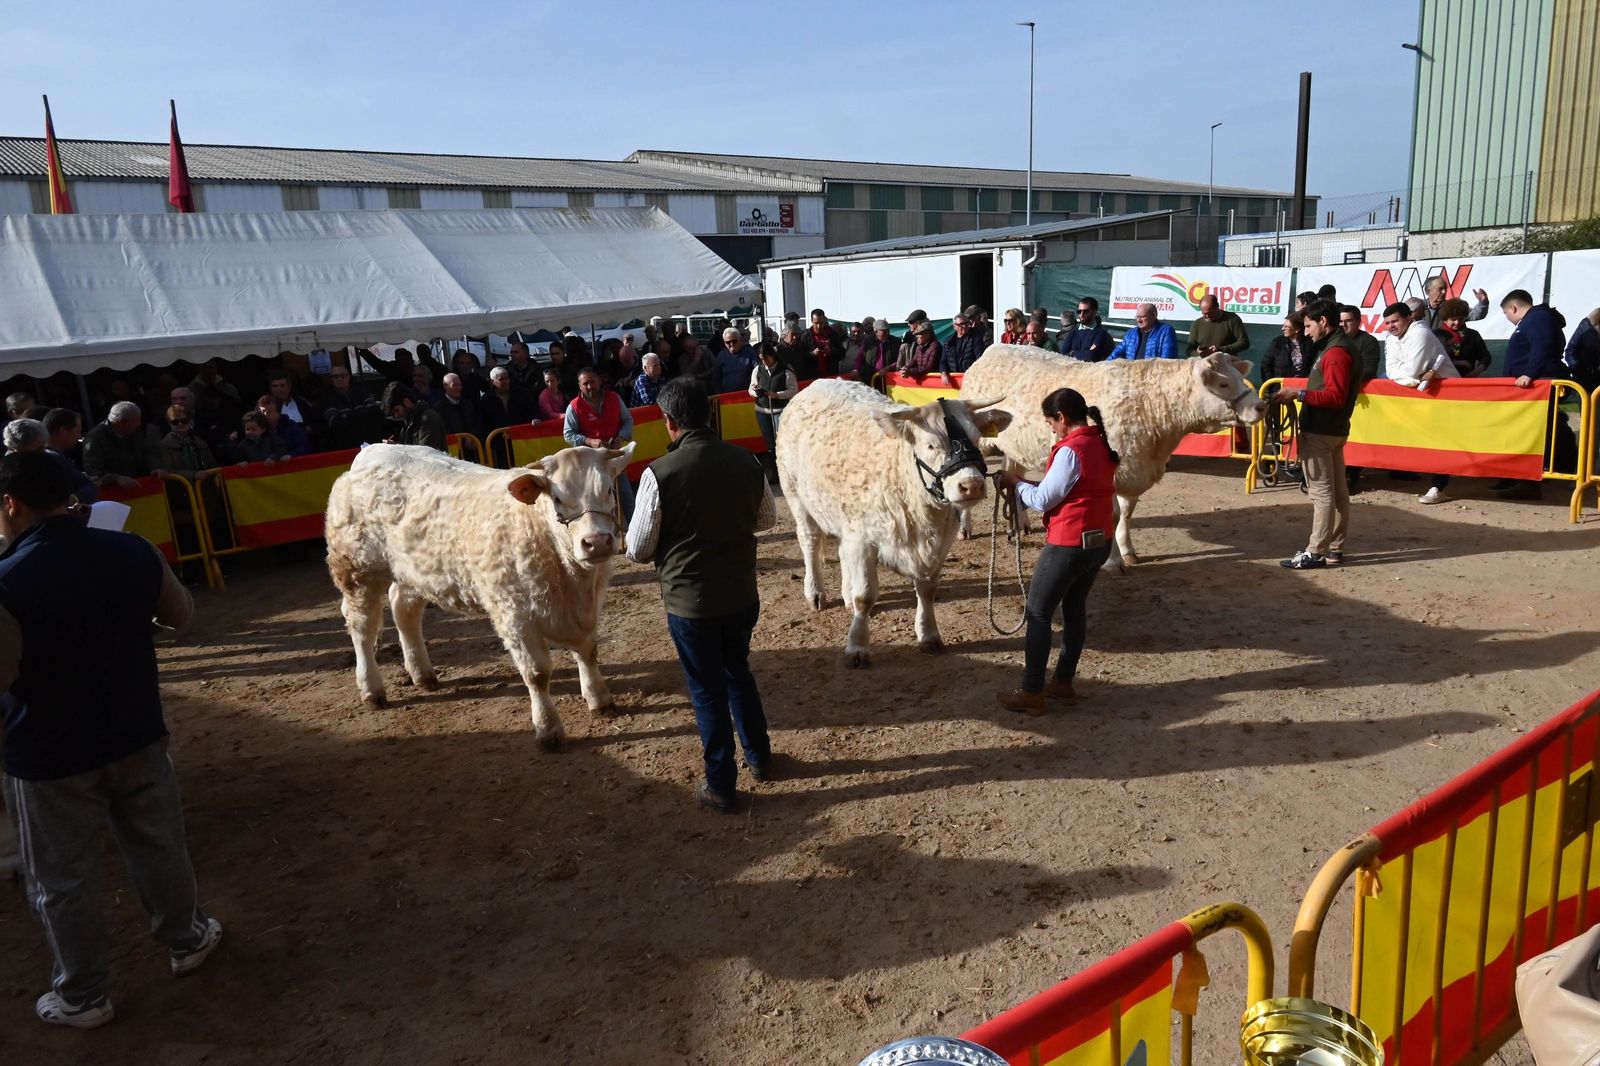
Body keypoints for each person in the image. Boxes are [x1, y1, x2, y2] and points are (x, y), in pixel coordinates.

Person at [0, 452, 222, 1030]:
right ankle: (187, 936)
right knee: (159, 844)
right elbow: (182, 616)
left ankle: (83, 994)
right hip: (136, 729)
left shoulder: (7, 582)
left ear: (10, 506)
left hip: (49, 753)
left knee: (60, 877)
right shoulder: (132, 551)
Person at [623, 379, 777, 813]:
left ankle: (721, 784)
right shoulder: (746, 460)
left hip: (690, 603)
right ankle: (760, 758)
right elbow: (767, 519)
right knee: (738, 673)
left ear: (668, 422)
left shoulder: (658, 474)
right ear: (710, 414)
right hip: (741, 594)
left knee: (708, 691)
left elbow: (637, 550)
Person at [994, 388, 1119, 716]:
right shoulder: (1099, 444)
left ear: (1062, 418)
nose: (1050, 427)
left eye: (1051, 421)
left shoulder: (1070, 451)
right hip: (1099, 539)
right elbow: (1067, 491)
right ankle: (1063, 681)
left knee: (1037, 613)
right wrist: (1024, 483)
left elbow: (1042, 500)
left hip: (1069, 542)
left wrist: (1015, 482)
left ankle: (1032, 689)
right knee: (1074, 606)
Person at [1273, 300, 1359, 570]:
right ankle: (1334, 547)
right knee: (1338, 493)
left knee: (1322, 493)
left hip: (1321, 431)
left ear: (1323, 321)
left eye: (1309, 326)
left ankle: (1316, 551)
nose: (1306, 332)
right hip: (1332, 429)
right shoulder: (1340, 348)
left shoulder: (1335, 353)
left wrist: (1296, 394)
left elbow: (1334, 396)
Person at [1379, 301, 1459, 504]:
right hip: (1420, 396)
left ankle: (1438, 486)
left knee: (1443, 441)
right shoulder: (1391, 338)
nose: (1391, 326)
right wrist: (1415, 381)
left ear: (1409, 318)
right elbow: (1393, 371)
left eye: (1395, 321)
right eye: (1387, 323)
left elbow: (1407, 371)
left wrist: (1408, 377)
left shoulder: (1421, 334)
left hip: (1444, 397)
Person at [1498, 289, 1574, 498]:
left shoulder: (1537, 319)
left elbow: (1542, 346)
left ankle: (1529, 481)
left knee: (1533, 430)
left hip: (1540, 383)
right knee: (1549, 427)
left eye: (1507, 314)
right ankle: (1527, 475)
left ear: (1513, 308)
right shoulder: (1537, 319)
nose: (1508, 318)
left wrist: (1530, 373)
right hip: (1537, 383)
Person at [1336, 305, 1383, 495]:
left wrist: (1341, 380)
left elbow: (1369, 370)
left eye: (1348, 321)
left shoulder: (1368, 341)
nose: (1344, 324)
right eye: (1341, 321)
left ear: (1358, 322)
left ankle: (1352, 475)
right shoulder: (1334, 340)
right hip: (1336, 396)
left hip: (1360, 399)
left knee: (1357, 437)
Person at [83, 401, 164, 488]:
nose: (139, 424)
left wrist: (156, 467)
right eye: (136, 421)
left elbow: (148, 451)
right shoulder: (95, 438)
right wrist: (116, 479)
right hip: (114, 493)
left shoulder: (134, 432)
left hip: (140, 487)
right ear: (121, 422)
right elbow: (91, 470)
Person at [749, 345, 797, 484]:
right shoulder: (758, 369)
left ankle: (788, 473)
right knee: (770, 445)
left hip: (780, 411)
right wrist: (755, 392)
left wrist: (777, 395)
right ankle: (776, 474)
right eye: (761, 359)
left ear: (773, 355)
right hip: (762, 411)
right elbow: (751, 387)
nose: (764, 362)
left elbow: (793, 389)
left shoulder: (786, 370)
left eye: (766, 359)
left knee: (783, 443)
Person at [42, 409, 97, 504]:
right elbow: (88, 487)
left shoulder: (59, 456)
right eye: (78, 431)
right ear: (63, 431)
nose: (80, 437)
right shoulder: (54, 459)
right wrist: (75, 498)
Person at [156, 405, 218, 483]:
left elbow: (213, 466)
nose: (180, 424)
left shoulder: (200, 442)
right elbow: (167, 471)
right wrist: (193, 475)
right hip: (180, 488)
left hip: (204, 486)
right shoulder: (164, 445)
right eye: (175, 422)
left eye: (184, 420)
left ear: (190, 421)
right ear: (169, 423)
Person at [1433, 298, 1492, 378]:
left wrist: (1476, 372)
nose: (1457, 322)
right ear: (1445, 320)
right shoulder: (1437, 335)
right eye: (1453, 319)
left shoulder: (1473, 335)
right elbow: (1433, 359)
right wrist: (1458, 362)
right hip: (1443, 380)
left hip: (1468, 380)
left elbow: (1485, 357)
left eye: (1460, 319)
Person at [381, 382, 446, 451]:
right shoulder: (408, 422)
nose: (396, 415)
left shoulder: (428, 419)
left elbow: (427, 453)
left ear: (407, 402)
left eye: (397, 410)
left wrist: (398, 448)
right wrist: (395, 447)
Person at [1107, 303, 1179, 360]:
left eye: (1142, 317)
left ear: (1154, 315)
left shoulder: (1166, 331)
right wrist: (1104, 366)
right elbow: (1116, 354)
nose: (1139, 320)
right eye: (1137, 317)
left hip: (1154, 376)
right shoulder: (1131, 333)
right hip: (1132, 374)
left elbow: (1168, 360)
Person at [1422, 275, 1489, 329]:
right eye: (1440, 289)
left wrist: (1483, 302)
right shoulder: (1419, 307)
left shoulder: (1453, 307)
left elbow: (1476, 315)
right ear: (1428, 291)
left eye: (1445, 289)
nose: (1444, 292)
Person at [481, 366, 536, 431]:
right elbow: (483, 420)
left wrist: (534, 418)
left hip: (521, 434)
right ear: (492, 381)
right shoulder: (487, 399)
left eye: (507, 378)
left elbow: (532, 408)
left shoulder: (521, 393)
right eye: (501, 379)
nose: (505, 382)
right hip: (498, 437)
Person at [1260, 313, 1312, 381]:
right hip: (1280, 387)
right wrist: (1271, 386)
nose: (1282, 329)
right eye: (1283, 326)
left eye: (1286, 327)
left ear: (1297, 329)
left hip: (1302, 387)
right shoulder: (1278, 342)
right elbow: (1265, 364)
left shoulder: (1309, 343)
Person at [940, 314, 986, 387]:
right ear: (954, 326)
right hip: (954, 382)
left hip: (970, 380)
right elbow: (943, 361)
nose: (964, 326)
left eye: (966, 323)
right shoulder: (948, 342)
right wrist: (943, 373)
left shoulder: (976, 338)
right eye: (961, 324)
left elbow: (979, 359)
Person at [437, 373, 482, 443]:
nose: (458, 388)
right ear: (445, 386)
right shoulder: (439, 408)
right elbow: (443, 429)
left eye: (459, 385)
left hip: (472, 446)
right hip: (453, 447)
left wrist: (472, 437)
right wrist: (462, 440)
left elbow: (476, 422)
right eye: (454, 385)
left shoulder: (467, 403)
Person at [712, 327, 758, 394]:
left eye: (734, 341)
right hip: (727, 397)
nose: (731, 344)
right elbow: (716, 378)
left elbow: (758, 371)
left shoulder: (750, 353)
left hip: (747, 396)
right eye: (728, 342)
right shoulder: (721, 355)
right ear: (724, 343)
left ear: (740, 339)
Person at [806, 309, 841, 379]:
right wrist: (812, 353)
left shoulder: (833, 334)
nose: (819, 326)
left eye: (821, 323)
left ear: (824, 321)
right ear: (811, 321)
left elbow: (842, 353)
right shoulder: (805, 335)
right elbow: (800, 357)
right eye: (816, 323)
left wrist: (831, 351)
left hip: (830, 376)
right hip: (812, 377)